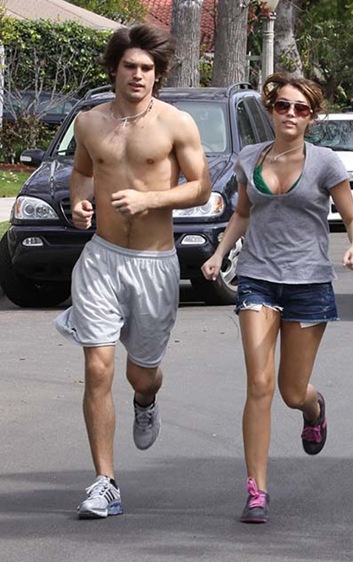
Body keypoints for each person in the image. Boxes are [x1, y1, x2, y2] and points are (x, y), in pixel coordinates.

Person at [54, 24, 211, 519]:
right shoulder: (89, 122)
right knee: (97, 367)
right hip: (100, 258)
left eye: (147, 68)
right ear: (115, 70)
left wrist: (151, 198)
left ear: (157, 74)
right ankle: (105, 481)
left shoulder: (175, 124)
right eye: (130, 66)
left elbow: (201, 187)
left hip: (154, 263)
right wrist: (80, 202)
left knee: (141, 374)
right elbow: (83, 171)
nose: (138, 75)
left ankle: (147, 399)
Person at [201, 72, 353, 524]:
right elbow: (241, 214)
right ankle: (256, 491)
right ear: (271, 109)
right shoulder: (249, 158)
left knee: (292, 391)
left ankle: (314, 408)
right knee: (259, 384)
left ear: (311, 117)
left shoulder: (326, 162)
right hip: (257, 278)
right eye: (284, 106)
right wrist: (218, 253)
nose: (291, 114)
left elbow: (351, 219)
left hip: (309, 283)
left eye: (302, 109)